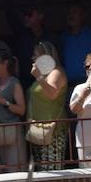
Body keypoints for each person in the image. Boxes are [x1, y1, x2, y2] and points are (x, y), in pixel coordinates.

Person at [25, 40, 69, 169]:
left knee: (51, 170)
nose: (33, 58)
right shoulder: (43, 75)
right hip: (38, 130)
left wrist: (38, 77)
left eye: (36, 55)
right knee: (41, 170)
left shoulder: (57, 72)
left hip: (53, 131)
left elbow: (52, 94)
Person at [60, 1, 91, 89]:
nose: (71, 15)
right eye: (69, 13)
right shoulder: (63, 38)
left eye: (74, 12)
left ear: (83, 15)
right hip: (68, 86)